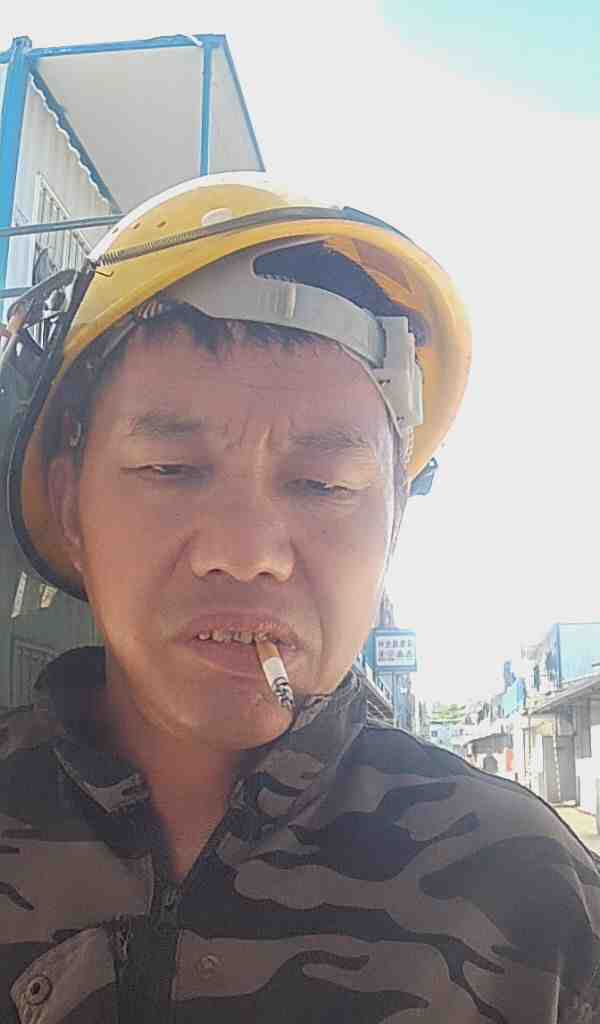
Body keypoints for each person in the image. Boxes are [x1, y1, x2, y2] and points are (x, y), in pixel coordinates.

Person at [0, 174, 598, 1023]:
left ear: (393, 528)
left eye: (323, 484)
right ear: (70, 506)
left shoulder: (533, 893)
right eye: (170, 468)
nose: (247, 554)